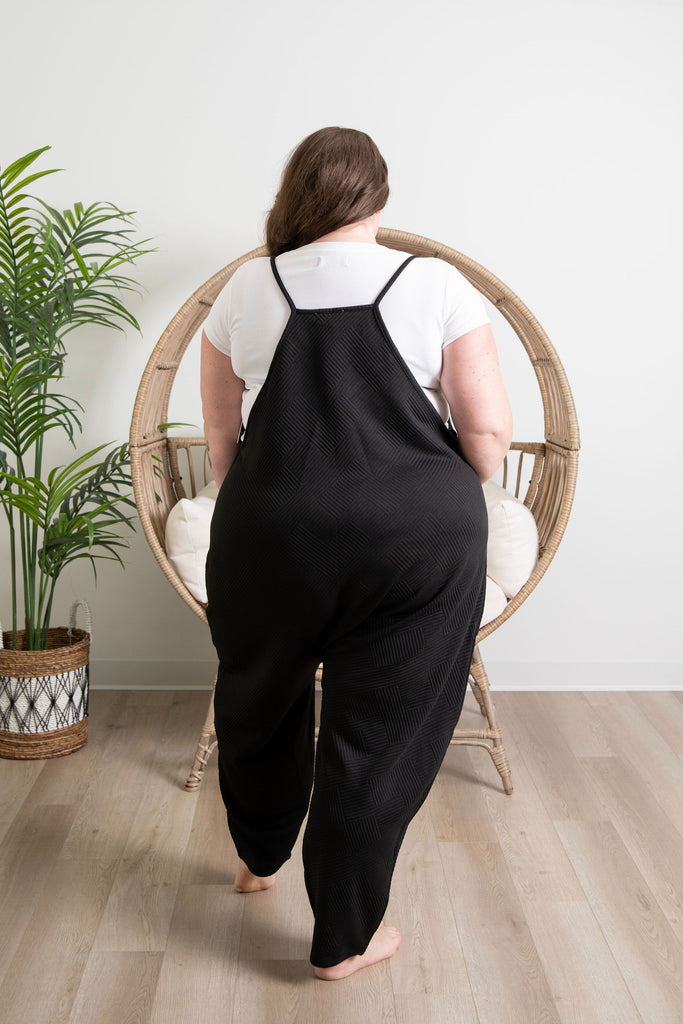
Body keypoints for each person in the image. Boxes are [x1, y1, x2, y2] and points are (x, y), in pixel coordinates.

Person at [201, 127, 513, 980]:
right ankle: (343, 939)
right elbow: (487, 439)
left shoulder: (245, 285)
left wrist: (267, 508)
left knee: (259, 700)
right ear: (377, 197)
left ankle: (257, 858)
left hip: (269, 535)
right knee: (378, 736)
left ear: (296, 195)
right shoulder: (435, 283)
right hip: (413, 543)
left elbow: (221, 442)